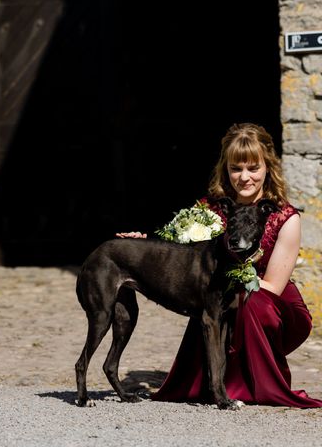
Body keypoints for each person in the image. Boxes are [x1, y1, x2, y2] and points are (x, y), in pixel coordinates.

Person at [124, 123, 321, 408]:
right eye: (236, 168)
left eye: (253, 168)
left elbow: (273, 286)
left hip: (272, 302)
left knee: (244, 299)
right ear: (225, 169)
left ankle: (255, 384)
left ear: (268, 166)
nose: (244, 177)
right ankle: (218, 384)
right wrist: (140, 247)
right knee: (215, 296)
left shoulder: (283, 217)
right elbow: (177, 255)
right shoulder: (211, 209)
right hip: (225, 293)